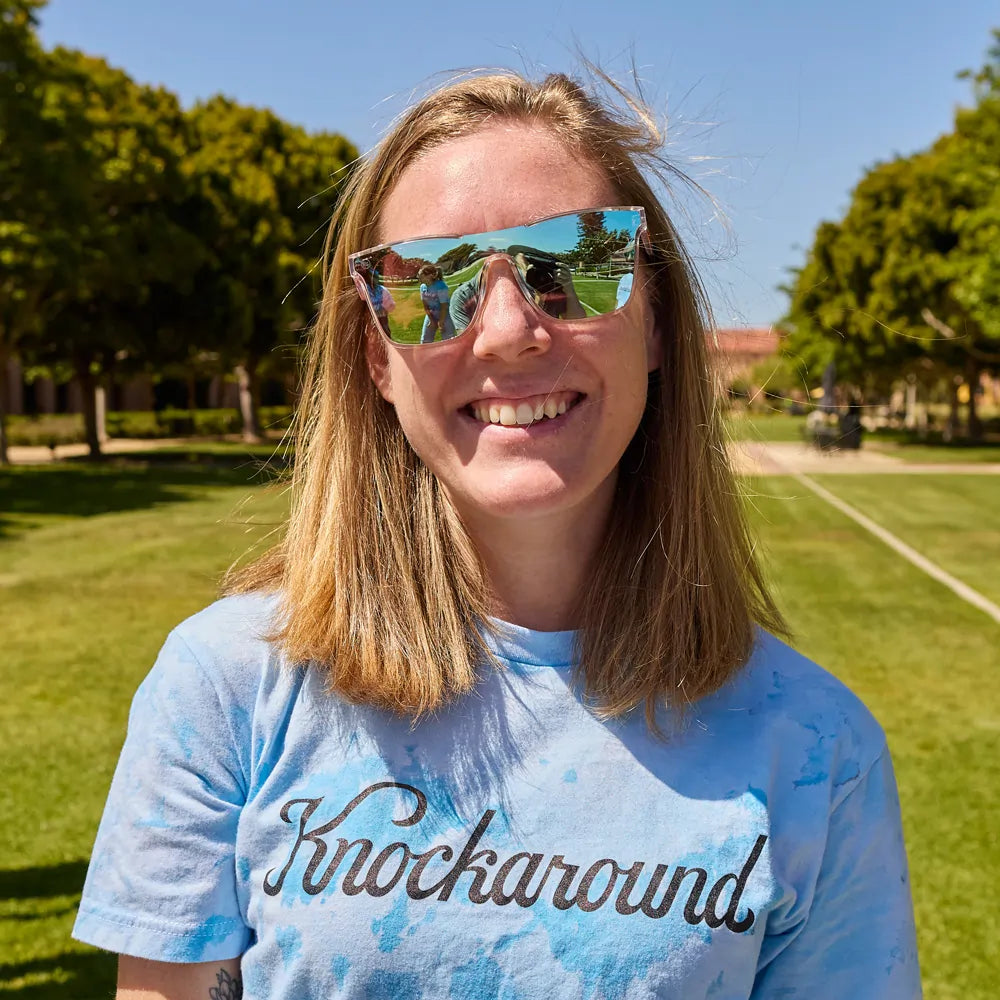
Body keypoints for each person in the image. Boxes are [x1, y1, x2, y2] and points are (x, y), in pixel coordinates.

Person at [73, 71, 921, 999]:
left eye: (575, 263)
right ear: (375, 357)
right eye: (431, 283)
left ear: (656, 323)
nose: (509, 331)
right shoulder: (226, 687)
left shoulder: (817, 752)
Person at [417, 264, 456, 344]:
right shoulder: (422, 287)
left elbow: (443, 306)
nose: (419, 277)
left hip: (445, 313)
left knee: (448, 340)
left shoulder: (441, 286)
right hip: (431, 313)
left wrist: (441, 322)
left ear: (430, 276)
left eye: (421, 275)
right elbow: (425, 305)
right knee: (425, 340)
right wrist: (431, 320)